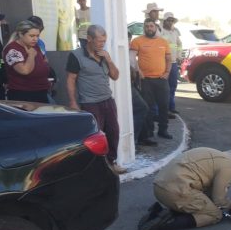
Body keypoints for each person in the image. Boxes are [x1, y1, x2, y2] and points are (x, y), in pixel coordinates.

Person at [138, 143, 231, 230]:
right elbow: (219, 202)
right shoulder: (228, 167)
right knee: (214, 214)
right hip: (175, 192)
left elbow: (208, 193)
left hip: (159, 187)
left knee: (202, 202)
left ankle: (160, 212)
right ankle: (162, 225)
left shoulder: (212, 153)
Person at [66, 25, 123, 172]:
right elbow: (71, 79)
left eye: (104, 41)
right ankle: (96, 168)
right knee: (94, 137)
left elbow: (116, 76)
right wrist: (73, 101)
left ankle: (111, 162)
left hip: (107, 100)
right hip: (90, 102)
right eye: (99, 41)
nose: (102, 44)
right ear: (89, 39)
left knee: (113, 132)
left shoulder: (104, 55)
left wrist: (109, 60)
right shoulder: (76, 55)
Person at [130, 18, 173, 139]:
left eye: (151, 26)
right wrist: (139, 71)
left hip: (161, 79)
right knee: (148, 108)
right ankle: (148, 133)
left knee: (164, 106)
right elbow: (132, 59)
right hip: (146, 80)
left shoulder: (163, 42)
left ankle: (163, 130)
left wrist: (167, 72)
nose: (149, 28)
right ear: (144, 28)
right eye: (147, 26)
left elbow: (168, 59)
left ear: (156, 27)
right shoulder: (137, 41)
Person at [3, 20, 50, 103]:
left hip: (41, 92)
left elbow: (44, 61)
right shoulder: (12, 49)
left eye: (37, 36)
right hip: (23, 94)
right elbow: (24, 71)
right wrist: (31, 56)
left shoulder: (35, 46)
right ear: (21, 34)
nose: (35, 39)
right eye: (31, 36)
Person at [128, 31, 156, 147]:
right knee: (141, 108)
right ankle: (132, 141)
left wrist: (137, 71)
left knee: (146, 107)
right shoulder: (117, 50)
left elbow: (134, 63)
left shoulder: (127, 50)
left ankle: (143, 137)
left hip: (136, 82)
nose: (128, 43)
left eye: (129, 40)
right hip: (126, 85)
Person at [161, 12, 181, 116]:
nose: (170, 22)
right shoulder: (160, 31)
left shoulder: (175, 32)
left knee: (173, 86)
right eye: (168, 20)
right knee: (164, 87)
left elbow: (179, 44)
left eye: (172, 20)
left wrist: (179, 56)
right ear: (164, 21)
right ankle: (164, 110)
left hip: (173, 62)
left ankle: (171, 107)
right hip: (162, 62)